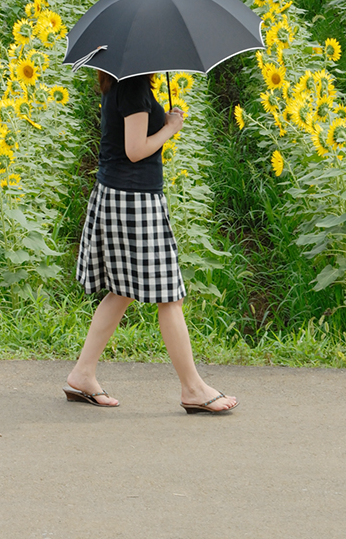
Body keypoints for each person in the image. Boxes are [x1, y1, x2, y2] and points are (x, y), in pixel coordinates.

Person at [65, 73, 238, 413]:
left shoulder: (123, 83)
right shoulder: (133, 87)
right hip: (133, 200)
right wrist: (170, 127)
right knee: (169, 294)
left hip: (121, 195)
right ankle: (193, 388)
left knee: (122, 290)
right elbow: (135, 150)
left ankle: (82, 374)